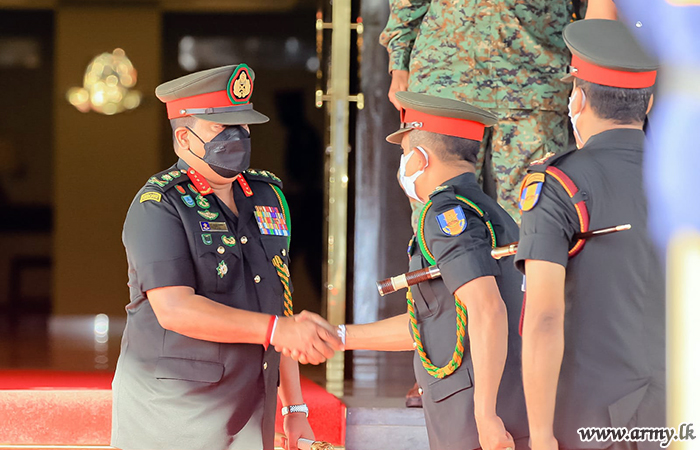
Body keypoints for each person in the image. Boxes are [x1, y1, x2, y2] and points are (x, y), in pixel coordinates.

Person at [111, 64, 342, 450]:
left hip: (250, 411)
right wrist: (275, 330)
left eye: (243, 125)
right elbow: (175, 309)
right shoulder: (159, 206)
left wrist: (294, 408)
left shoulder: (268, 196)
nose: (237, 137)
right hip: (176, 415)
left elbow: (280, 303)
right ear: (184, 137)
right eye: (221, 127)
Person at [294, 91, 529, 450]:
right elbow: (436, 322)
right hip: (499, 410)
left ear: (419, 158)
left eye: (404, 153)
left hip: (474, 422)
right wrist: (340, 337)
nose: (403, 164)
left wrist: (485, 415)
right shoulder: (490, 212)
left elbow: (487, 308)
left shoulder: (444, 214)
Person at [514, 20, 664, 450]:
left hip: (590, 422)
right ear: (649, 102)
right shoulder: (686, 181)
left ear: (577, 99)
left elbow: (543, 319)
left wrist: (540, 436)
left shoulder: (558, 184)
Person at [380, 0, 575, 222]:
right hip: (445, 78)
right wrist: (399, 60)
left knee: (535, 213)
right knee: (442, 212)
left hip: (533, 77)